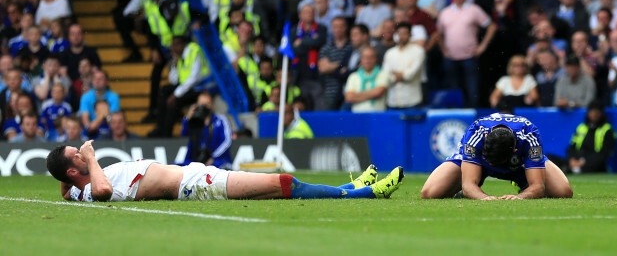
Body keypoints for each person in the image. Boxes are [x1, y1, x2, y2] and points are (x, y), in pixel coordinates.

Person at [46, 140, 404, 202]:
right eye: (78, 154)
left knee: (282, 182)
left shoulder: (76, 190)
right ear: (76, 167)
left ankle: (350, 185)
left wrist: (73, 168)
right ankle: (363, 193)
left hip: (192, 175)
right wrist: (90, 159)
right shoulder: (95, 187)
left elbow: (64, 187)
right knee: (282, 182)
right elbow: (105, 192)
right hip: (193, 185)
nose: (84, 152)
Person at [421, 113, 573, 200]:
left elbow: (538, 187)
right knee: (429, 193)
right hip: (477, 165)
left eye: (495, 161)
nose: (492, 164)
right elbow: (468, 186)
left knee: (564, 192)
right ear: (485, 138)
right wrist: (484, 198)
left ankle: (522, 181)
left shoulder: (529, 135)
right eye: (488, 158)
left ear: (514, 150)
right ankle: (459, 191)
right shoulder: (475, 134)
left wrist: (521, 197)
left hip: (519, 166)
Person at [151, 36, 212, 138]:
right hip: (188, 88)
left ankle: (166, 133)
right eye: (172, 45)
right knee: (165, 90)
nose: (173, 48)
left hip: (200, 88)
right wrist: (174, 63)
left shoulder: (194, 51)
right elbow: (174, 80)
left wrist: (175, 95)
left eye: (176, 45)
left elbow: (194, 78)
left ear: (184, 44)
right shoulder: (179, 57)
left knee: (174, 101)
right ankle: (160, 127)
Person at [180, 92, 232, 169]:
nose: (204, 107)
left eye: (207, 104)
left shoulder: (220, 120)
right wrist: (188, 117)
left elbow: (227, 141)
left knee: (223, 167)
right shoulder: (193, 121)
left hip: (217, 160)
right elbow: (183, 135)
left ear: (212, 105)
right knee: (176, 166)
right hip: (196, 161)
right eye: (201, 104)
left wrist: (212, 157)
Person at [566, 101, 617, 173]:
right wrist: (572, 159)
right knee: (549, 159)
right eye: (592, 111)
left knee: (597, 164)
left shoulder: (607, 130)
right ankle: (573, 168)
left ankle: (575, 169)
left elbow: (605, 153)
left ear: (601, 114)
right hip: (577, 158)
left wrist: (583, 162)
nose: (594, 114)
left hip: (592, 162)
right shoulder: (581, 128)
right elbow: (571, 147)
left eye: (597, 112)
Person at [382, 22, 425, 110]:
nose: (401, 36)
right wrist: (401, 75)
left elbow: (410, 75)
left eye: (404, 33)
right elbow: (386, 76)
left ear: (410, 35)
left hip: (412, 102)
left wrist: (395, 74)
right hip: (392, 102)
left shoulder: (418, 51)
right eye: (399, 33)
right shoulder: (389, 53)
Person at [345, 47, 388, 112]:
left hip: (378, 116)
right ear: (361, 59)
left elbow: (379, 92)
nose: (368, 60)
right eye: (365, 57)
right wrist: (372, 93)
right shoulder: (353, 76)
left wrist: (356, 95)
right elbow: (349, 97)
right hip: (358, 116)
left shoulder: (383, 74)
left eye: (371, 57)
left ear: (376, 59)